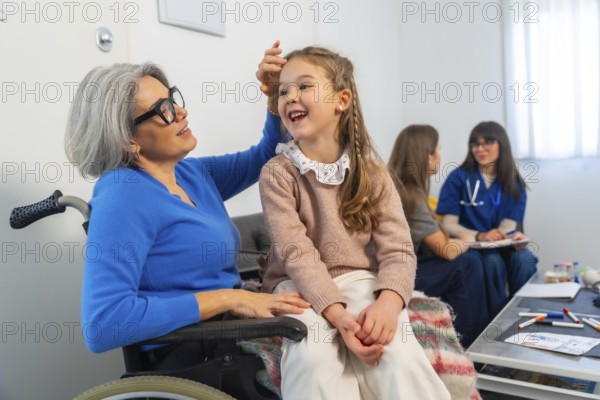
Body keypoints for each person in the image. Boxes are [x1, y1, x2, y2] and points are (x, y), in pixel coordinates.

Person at [64, 45, 310, 357]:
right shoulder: (123, 193)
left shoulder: (189, 173)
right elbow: (104, 323)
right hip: (195, 350)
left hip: (230, 329)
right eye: (163, 108)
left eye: (173, 99)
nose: (181, 112)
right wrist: (228, 298)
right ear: (127, 138)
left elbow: (266, 155)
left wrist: (276, 95)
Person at [257, 45, 451, 400]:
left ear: (341, 100)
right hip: (296, 287)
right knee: (314, 358)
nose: (290, 97)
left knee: (395, 355)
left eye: (304, 86)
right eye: (283, 90)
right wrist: (338, 316)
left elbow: (399, 250)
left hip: (361, 278)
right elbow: (297, 254)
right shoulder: (277, 173)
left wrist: (389, 304)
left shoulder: (373, 173)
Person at [387, 124, 490, 348]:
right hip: (400, 273)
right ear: (424, 154)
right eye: (438, 149)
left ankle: (474, 336)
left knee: (471, 262)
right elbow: (446, 250)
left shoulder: (401, 187)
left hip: (403, 264)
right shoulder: (411, 197)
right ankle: (474, 346)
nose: (440, 156)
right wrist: (470, 240)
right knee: (468, 264)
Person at [436, 121, 538, 317]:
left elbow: (508, 226)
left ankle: (524, 315)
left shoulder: (514, 182)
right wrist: (480, 235)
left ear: (502, 144)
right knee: (492, 261)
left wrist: (514, 236)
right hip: (471, 246)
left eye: (487, 142)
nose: (479, 149)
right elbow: (448, 225)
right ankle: (495, 322)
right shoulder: (458, 178)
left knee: (524, 259)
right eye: (475, 144)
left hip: (503, 244)